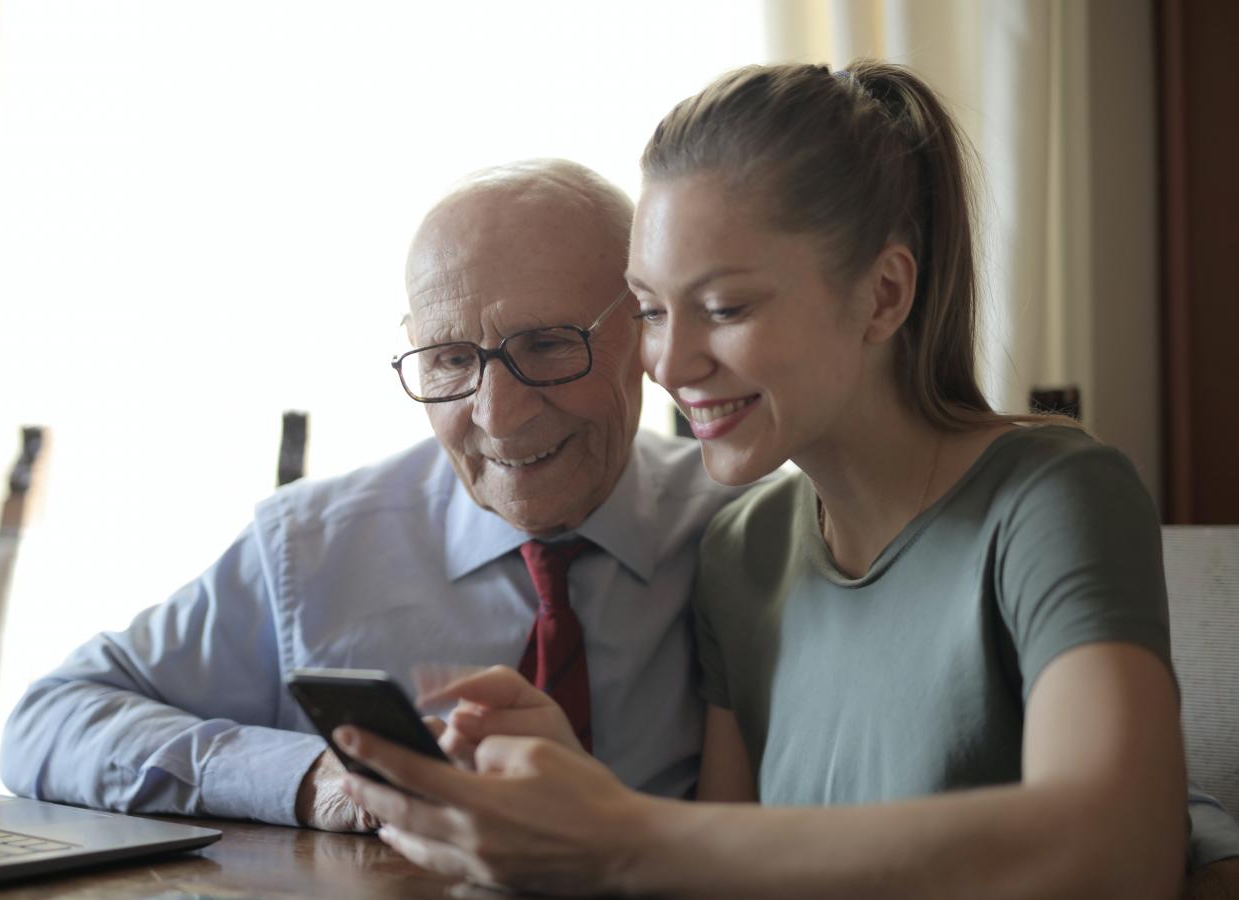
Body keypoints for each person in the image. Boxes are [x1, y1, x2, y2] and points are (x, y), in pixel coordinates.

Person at [340, 61, 1239, 898]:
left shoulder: (1052, 497)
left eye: (724, 308)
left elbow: (1122, 848)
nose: (669, 362)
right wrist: (575, 793)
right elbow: (725, 870)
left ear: (884, 295)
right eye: (651, 311)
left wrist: (620, 831)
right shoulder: (744, 545)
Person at [0, 159, 746, 832]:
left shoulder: (750, 536)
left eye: (547, 346)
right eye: (451, 360)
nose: (496, 414)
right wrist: (309, 778)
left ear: (647, 331)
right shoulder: (312, 548)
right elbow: (48, 721)